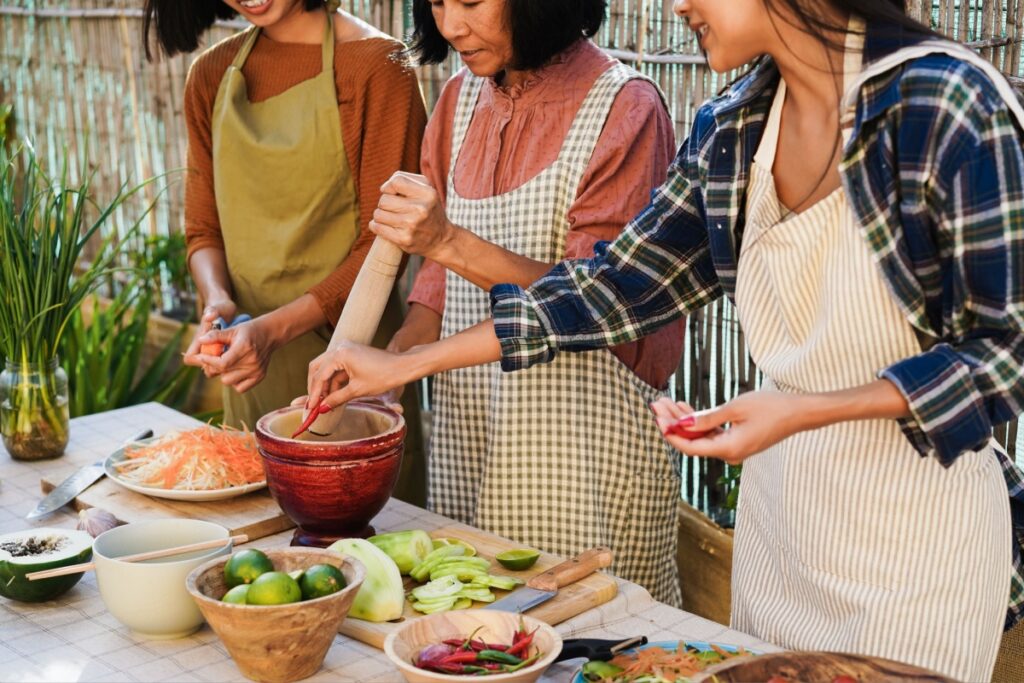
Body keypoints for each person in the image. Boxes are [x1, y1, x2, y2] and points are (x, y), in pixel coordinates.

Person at [305, 0, 1024, 679]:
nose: (678, 4)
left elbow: (1001, 357)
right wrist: (402, 362)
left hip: (920, 545)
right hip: (785, 532)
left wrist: (802, 409)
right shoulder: (735, 127)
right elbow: (610, 288)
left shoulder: (947, 104)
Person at [315, 0, 685, 604]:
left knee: (587, 642)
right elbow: (434, 296)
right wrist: (380, 374)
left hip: (584, 456)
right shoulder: (458, 103)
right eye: (436, 3)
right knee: (474, 634)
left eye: (470, 2)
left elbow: (597, 299)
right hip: (472, 437)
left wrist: (446, 240)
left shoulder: (624, 107)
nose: (451, 26)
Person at [142, 0, 429, 502]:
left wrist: (270, 331)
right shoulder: (211, 75)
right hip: (250, 376)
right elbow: (204, 228)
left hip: (356, 380)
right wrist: (217, 304)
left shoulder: (378, 67)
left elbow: (385, 248)